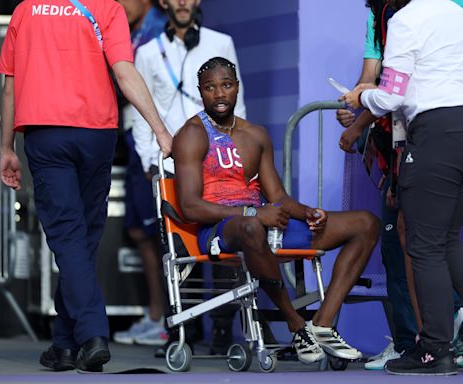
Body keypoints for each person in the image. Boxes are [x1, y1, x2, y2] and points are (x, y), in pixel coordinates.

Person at [0, 0, 172, 372]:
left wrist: (6, 147)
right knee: (83, 238)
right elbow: (124, 72)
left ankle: (93, 334)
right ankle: (63, 344)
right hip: (97, 134)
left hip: (46, 134)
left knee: (68, 237)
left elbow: (10, 87)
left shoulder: (25, 11)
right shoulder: (108, 9)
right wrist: (160, 130)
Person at [172, 56, 380, 364]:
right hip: (221, 231)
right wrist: (253, 215)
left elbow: (278, 196)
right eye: (210, 88)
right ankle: (297, 324)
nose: (219, 94)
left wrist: (308, 212)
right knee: (251, 228)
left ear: (237, 88)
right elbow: (190, 206)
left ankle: (322, 324)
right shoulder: (191, 134)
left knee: (366, 223)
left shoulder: (255, 135)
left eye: (226, 86)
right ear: (200, 92)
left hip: (265, 227)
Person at [344, 0, 463, 375]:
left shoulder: (406, 20)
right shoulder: (456, 13)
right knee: (446, 239)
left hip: (439, 134)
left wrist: (360, 96)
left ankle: (434, 350)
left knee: (423, 245)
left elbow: (391, 97)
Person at [131, 0, 246, 355]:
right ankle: (185, 329)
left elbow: (238, 105)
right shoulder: (149, 51)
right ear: (164, 3)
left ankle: (223, 330)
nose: (182, 2)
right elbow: (139, 111)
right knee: (177, 246)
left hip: (218, 161)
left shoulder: (219, 42)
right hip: (169, 163)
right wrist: (151, 160)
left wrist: (236, 154)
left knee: (224, 241)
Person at [111, 0, 169, 347]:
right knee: (138, 229)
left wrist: (156, 142)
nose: (116, 5)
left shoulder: (158, 30)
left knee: (158, 232)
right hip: (134, 137)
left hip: (152, 139)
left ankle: (163, 318)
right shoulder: (133, 30)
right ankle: (154, 314)